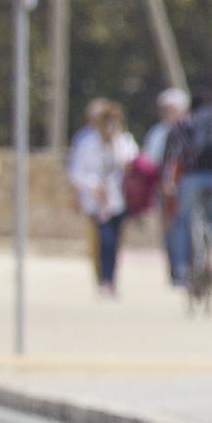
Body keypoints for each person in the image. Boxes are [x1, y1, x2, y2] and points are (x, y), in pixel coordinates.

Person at [166, 79, 212, 286]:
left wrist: (170, 181)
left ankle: (181, 268)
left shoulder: (186, 122)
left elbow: (176, 154)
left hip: (193, 178)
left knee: (183, 220)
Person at [68, 98, 137, 297]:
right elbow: (76, 172)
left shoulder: (124, 142)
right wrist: (92, 186)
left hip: (118, 199)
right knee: (103, 240)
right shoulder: (87, 144)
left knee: (115, 242)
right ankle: (103, 279)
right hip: (96, 201)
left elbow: (132, 165)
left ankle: (111, 279)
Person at [141, 87, 190, 285]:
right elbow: (150, 162)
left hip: (185, 186)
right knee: (171, 229)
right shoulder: (158, 133)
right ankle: (176, 270)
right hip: (165, 188)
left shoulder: (188, 128)